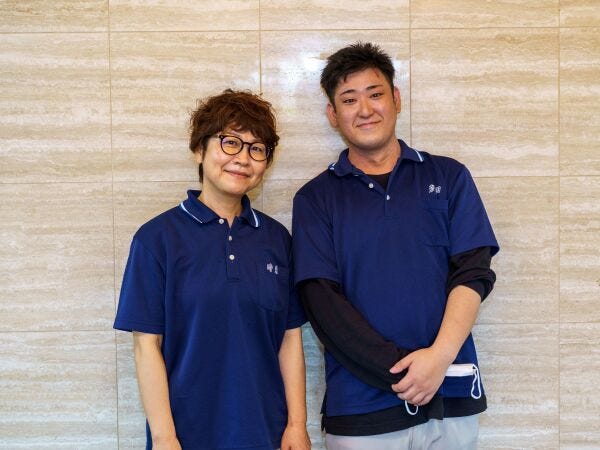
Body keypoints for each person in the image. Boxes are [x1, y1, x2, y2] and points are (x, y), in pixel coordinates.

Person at [292, 42, 499, 449]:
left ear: (396, 99)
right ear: (333, 114)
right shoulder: (315, 198)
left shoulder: (449, 177)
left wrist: (437, 358)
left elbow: (473, 273)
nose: (365, 109)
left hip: (450, 393)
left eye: (375, 94)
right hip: (360, 410)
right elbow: (321, 302)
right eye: (349, 99)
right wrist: (406, 372)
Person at [114, 89, 311, 450]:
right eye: (230, 142)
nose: (243, 158)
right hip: (186, 436)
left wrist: (297, 425)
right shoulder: (156, 239)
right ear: (199, 149)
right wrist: (164, 438)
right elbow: (146, 346)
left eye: (256, 148)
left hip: (266, 433)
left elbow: (289, 338)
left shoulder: (276, 239)